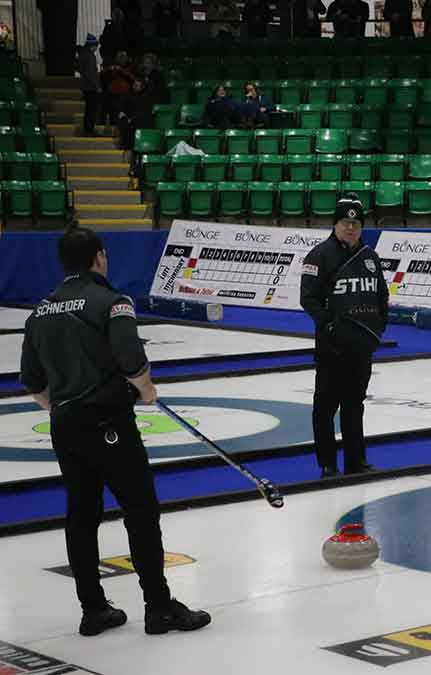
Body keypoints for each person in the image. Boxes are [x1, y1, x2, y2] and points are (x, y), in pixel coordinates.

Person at [18, 227, 211, 637]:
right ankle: (158, 607)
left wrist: (63, 408)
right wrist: (147, 391)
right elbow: (131, 359)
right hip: (108, 423)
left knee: (81, 515)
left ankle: (93, 609)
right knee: (140, 511)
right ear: (99, 258)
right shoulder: (112, 302)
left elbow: (32, 381)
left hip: (65, 425)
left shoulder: (40, 312)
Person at [300, 194, 389, 479]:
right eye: (345, 222)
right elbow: (308, 299)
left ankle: (356, 462)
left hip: (361, 346)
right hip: (332, 348)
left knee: (354, 406)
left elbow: (381, 296)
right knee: (325, 408)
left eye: (355, 223)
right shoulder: (319, 255)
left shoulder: (370, 257)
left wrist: (379, 327)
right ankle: (327, 464)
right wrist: (328, 326)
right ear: (335, 224)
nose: (350, 228)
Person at [77, 34, 102, 137]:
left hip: (85, 87)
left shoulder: (82, 54)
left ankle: (88, 130)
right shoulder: (90, 56)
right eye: (96, 46)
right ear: (92, 45)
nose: (96, 48)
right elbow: (91, 74)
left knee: (88, 110)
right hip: (91, 87)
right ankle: (90, 130)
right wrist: (97, 86)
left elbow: (79, 68)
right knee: (92, 110)